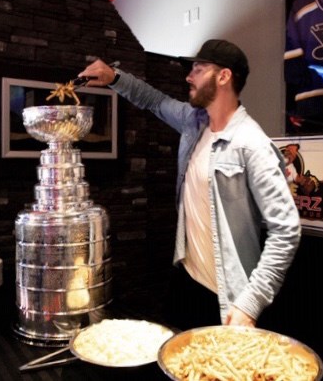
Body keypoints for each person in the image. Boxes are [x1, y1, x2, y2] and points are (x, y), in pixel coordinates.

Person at [78, 39, 301, 330]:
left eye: (198, 69)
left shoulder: (252, 144)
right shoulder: (194, 122)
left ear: (223, 76)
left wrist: (251, 303)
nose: (188, 77)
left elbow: (286, 230)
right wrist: (114, 77)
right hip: (187, 279)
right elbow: (153, 100)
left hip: (229, 298)